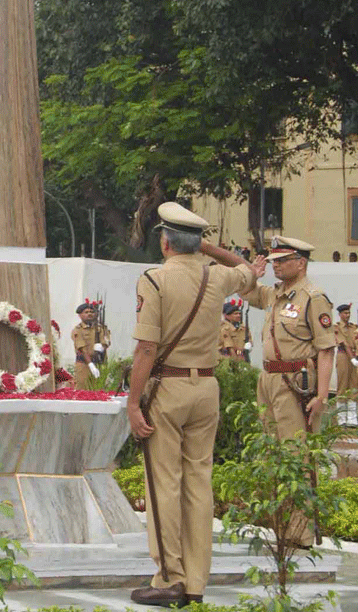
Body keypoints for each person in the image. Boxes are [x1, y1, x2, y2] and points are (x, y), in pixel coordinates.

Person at [128, 203, 263, 608]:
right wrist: (208, 249)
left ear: (165, 242)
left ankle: (170, 577)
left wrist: (134, 403)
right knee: (198, 483)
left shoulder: (154, 278)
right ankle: (196, 582)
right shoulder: (216, 277)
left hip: (167, 390)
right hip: (207, 388)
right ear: (196, 243)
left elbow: (146, 347)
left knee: (164, 483)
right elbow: (247, 268)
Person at [244, 235, 335, 548]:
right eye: (274, 261)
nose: (276, 266)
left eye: (282, 260)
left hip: (296, 383)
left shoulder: (312, 297)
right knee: (272, 455)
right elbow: (246, 290)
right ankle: (282, 529)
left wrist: (321, 396)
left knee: (296, 456)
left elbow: (326, 349)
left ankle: (300, 534)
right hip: (269, 380)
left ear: (301, 262)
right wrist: (249, 271)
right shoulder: (275, 295)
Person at [335, 303, 358, 423]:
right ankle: (341, 417)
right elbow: (344, 343)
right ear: (339, 314)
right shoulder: (336, 328)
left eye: (348, 313)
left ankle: (352, 418)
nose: (347, 315)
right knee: (342, 384)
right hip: (343, 356)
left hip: (354, 356)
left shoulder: (354, 327)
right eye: (345, 313)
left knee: (354, 385)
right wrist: (352, 358)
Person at [72, 301, 100, 387]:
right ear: (80, 315)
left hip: (99, 362)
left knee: (98, 389)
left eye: (91, 312)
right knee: (83, 390)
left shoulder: (100, 329)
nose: (89, 314)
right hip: (84, 364)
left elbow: (106, 341)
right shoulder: (77, 330)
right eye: (86, 312)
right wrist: (91, 365)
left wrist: (102, 346)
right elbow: (82, 349)